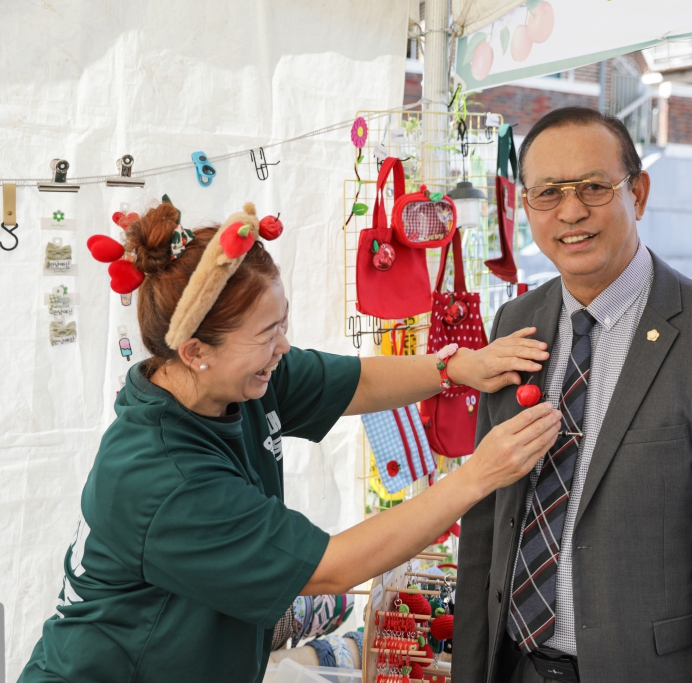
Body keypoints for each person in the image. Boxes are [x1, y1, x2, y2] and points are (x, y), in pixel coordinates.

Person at [19, 199, 563, 683]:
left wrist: (459, 366)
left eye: (282, 324)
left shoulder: (240, 380)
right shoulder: (164, 480)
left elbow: (358, 381)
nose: (283, 347)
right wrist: (478, 476)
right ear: (194, 351)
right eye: (266, 334)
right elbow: (334, 567)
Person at [452, 106, 692, 683]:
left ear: (639, 192)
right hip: (513, 666)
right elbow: (489, 515)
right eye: (548, 192)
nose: (572, 211)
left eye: (594, 187)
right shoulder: (515, 322)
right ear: (525, 206)